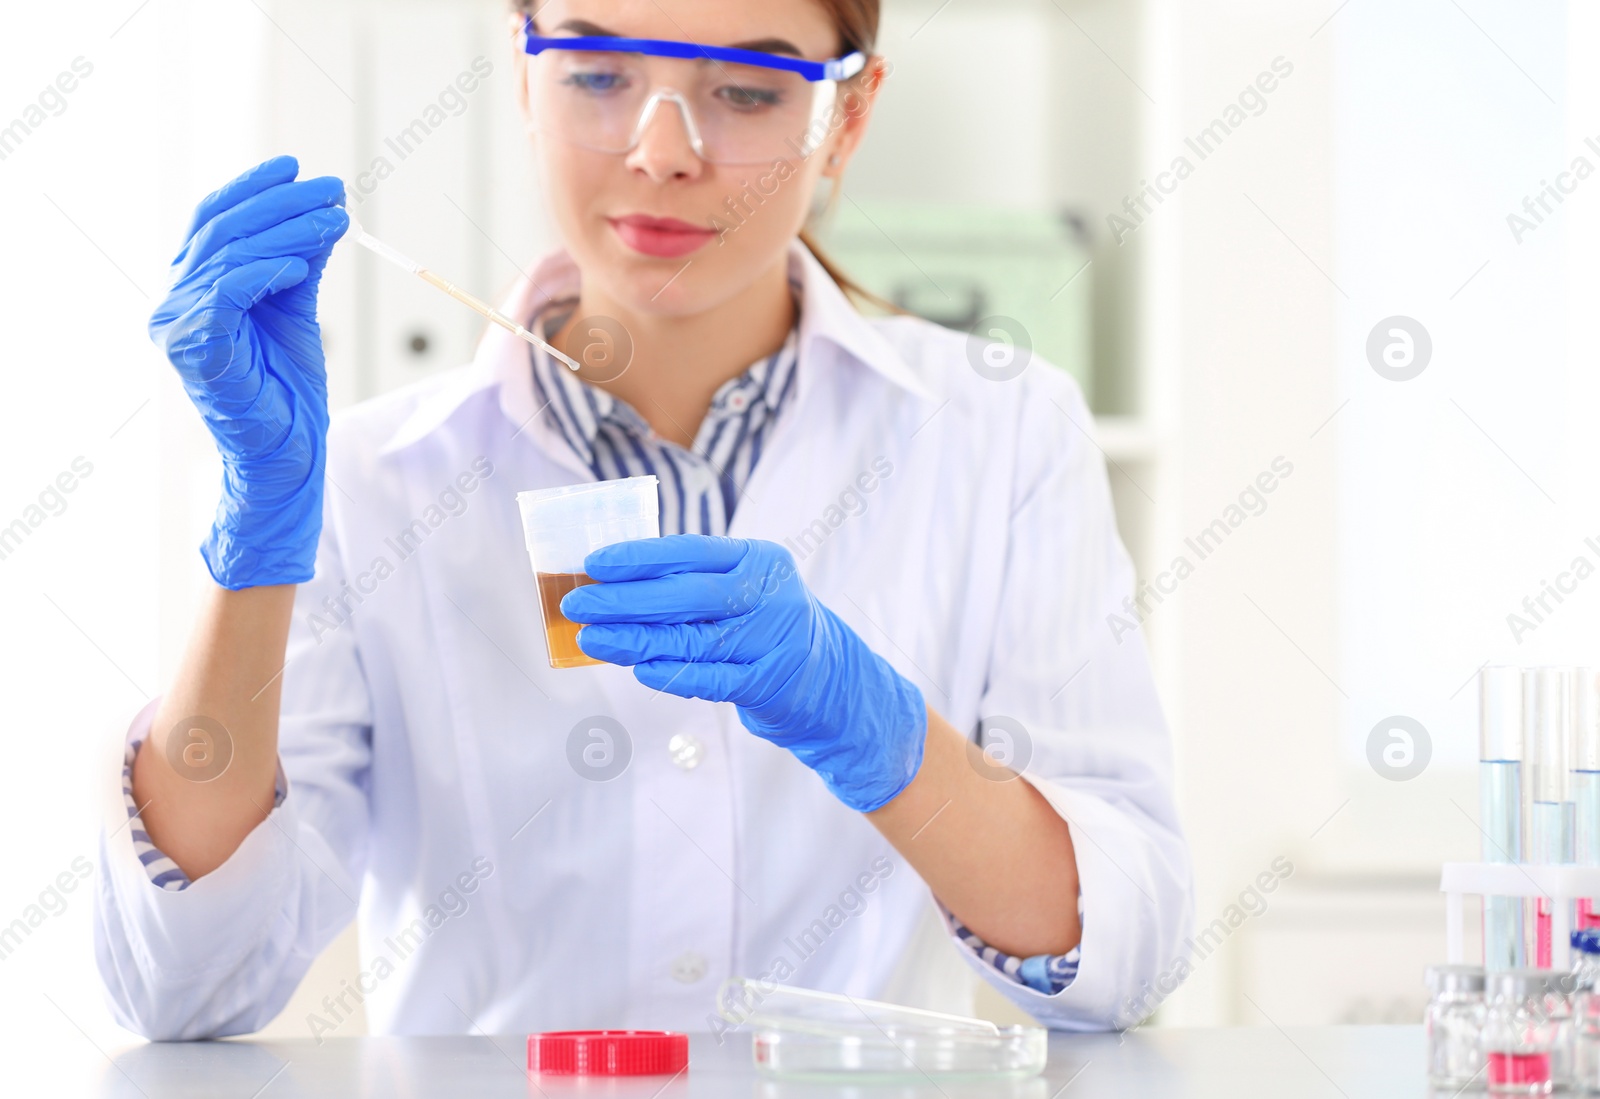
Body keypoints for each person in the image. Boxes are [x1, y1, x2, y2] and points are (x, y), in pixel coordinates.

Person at [95, 0, 1193, 1040]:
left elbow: (1120, 956)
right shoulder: (370, 480)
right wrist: (260, 527)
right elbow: (184, 988)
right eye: (600, 73)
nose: (662, 150)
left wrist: (883, 737)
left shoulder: (999, 433)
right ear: (526, 82)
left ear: (845, 117)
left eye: (748, 89)